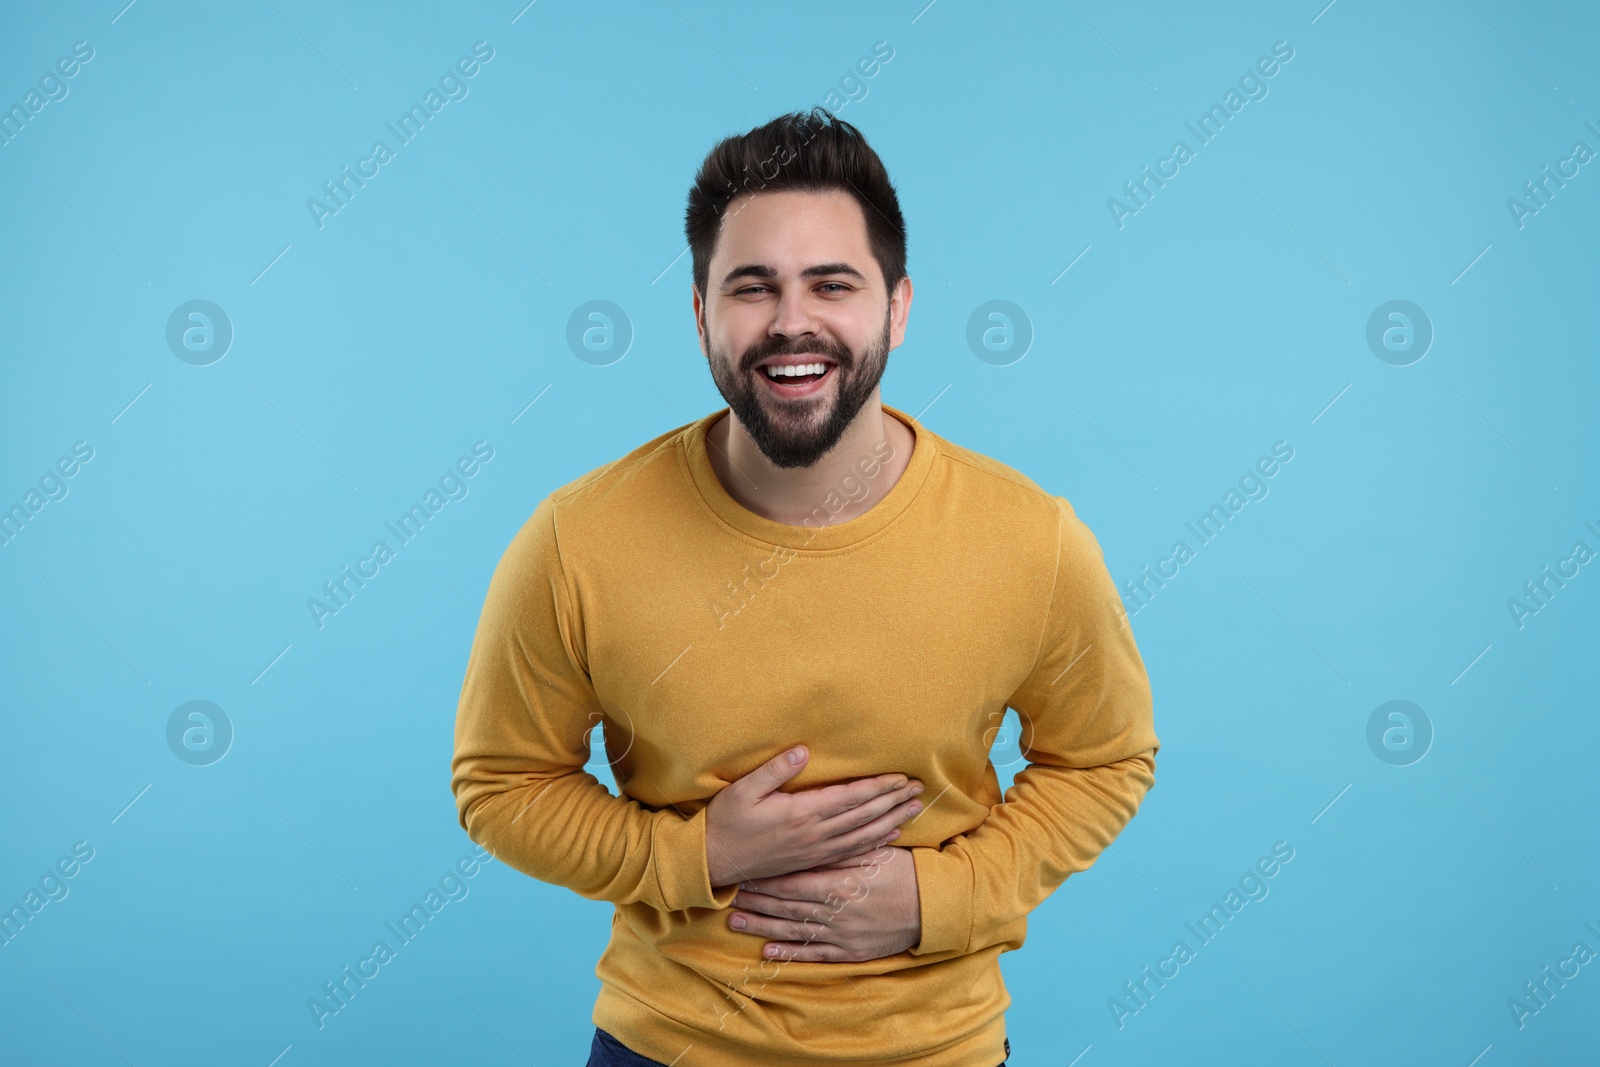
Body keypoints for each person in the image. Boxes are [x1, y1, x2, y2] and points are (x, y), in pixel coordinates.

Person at [451, 108, 1159, 1067]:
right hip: (668, 1047)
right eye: (753, 286)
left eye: (833, 283)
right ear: (700, 312)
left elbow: (1107, 759)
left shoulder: (1032, 540)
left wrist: (940, 900)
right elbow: (500, 782)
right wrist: (697, 857)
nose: (792, 320)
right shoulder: (576, 541)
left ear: (898, 309)